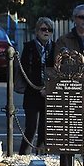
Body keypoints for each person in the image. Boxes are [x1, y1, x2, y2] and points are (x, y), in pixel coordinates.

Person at [54, 4, 84, 166]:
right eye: (82, 17)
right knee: (68, 133)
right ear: (74, 19)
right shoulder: (64, 40)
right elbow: (58, 65)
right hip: (72, 90)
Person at [18, 17, 55, 155]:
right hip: (32, 92)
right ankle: (24, 153)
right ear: (37, 31)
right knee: (31, 126)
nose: (46, 32)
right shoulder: (29, 47)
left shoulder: (55, 47)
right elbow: (24, 70)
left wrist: (48, 88)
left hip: (48, 92)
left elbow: (57, 70)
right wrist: (37, 87)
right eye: (43, 29)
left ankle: (41, 152)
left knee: (44, 127)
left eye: (49, 30)